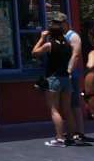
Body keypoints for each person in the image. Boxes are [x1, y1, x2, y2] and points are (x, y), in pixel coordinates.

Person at [34, 18, 82, 147]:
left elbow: (34, 53)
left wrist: (41, 38)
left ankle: (60, 138)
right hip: (66, 78)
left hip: (54, 78)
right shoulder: (68, 44)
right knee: (67, 109)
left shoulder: (49, 45)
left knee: (54, 109)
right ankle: (71, 136)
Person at [57, 12, 87, 143]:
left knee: (74, 103)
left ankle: (79, 131)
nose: (58, 25)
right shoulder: (60, 36)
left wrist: (69, 70)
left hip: (71, 75)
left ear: (65, 22)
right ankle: (71, 129)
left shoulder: (73, 36)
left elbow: (75, 55)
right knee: (64, 104)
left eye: (60, 23)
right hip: (60, 74)